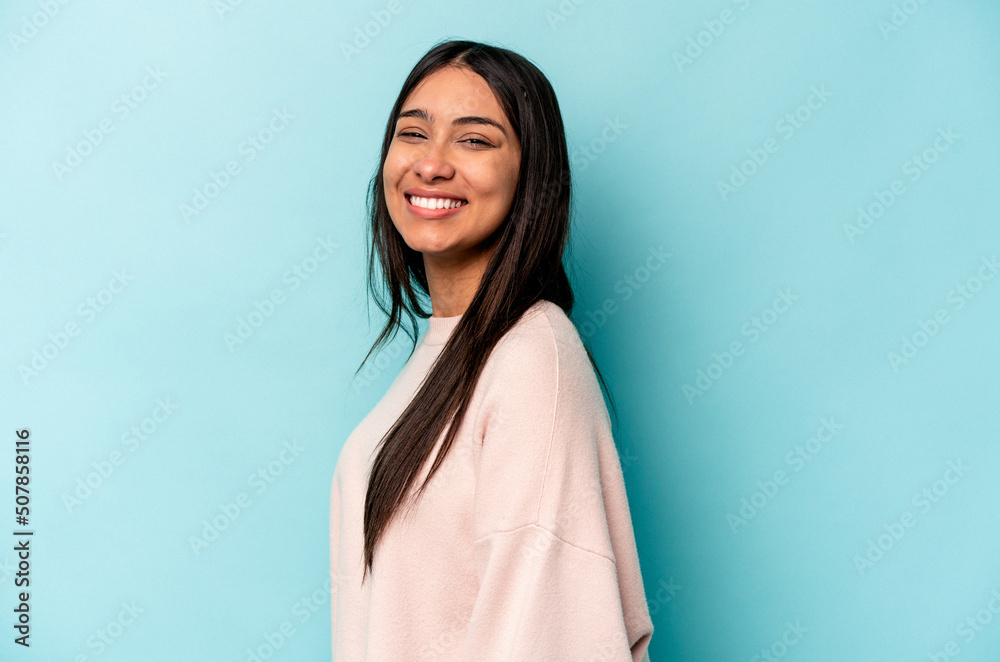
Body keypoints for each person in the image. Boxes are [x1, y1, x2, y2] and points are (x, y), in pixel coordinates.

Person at [331, 38, 654, 661]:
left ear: (531, 177)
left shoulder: (532, 360)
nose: (431, 164)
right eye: (412, 133)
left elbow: (544, 633)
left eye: (475, 140)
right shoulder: (445, 358)